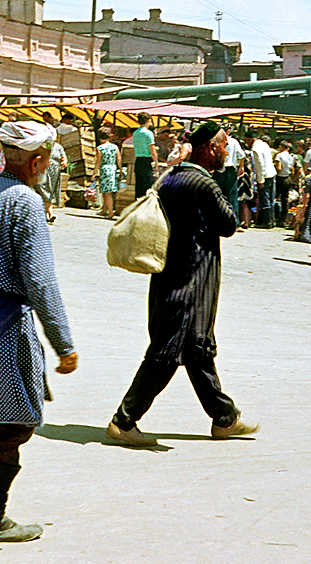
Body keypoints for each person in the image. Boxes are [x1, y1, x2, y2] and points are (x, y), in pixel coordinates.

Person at [0, 120, 78, 544]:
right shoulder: (25, 201)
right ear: (37, 161)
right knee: (13, 420)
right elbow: (39, 280)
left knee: (3, 414)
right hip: (3, 320)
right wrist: (64, 343)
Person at [106, 121, 258, 448]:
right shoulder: (204, 184)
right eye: (224, 146)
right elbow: (229, 224)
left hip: (168, 275)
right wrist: (227, 181)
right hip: (192, 280)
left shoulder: (171, 177)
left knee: (197, 350)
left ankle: (224, 419)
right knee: (168, 350)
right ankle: (124, 421)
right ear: (210, 148)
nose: (227, 152)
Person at [244, 131, 277, 228]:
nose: (246, 143)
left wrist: (260, 180)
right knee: (271, 198)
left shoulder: (255, 149)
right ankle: (272, 220)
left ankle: (267, 221)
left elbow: (259, 165)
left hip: (265, 175)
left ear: (250, 139)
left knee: (265, 199)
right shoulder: (264, 144)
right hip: (271, 172)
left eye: (246, 141)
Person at [211, 124, 242, 217]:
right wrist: (241, 167)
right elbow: (242, 155)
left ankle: (217, 218)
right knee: (232, 196)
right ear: (229, 131)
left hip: (218, 169)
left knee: (217, 195)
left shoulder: (215, 140)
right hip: (230, 169)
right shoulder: (234, 141)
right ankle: (234, 220)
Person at [36, 134, 67, 223]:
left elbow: (63, 156)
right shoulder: (42, 146)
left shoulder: (58, 147)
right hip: (43, 170)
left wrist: (64, 161)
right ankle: (51, 213)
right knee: (44, 191)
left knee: (50, 190)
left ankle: (46, 214)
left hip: (55, 172)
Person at [93, 127, 121, 219]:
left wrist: (94, 173)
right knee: (107, 191)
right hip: (112, 168)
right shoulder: (115, 147)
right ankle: (104, 210)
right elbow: (119, 159)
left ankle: (110, 212)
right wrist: (120, 169)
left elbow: (98, 161)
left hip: (104, 169)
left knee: (106, 192)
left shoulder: (100, 148)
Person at [132, 112, 158, 200]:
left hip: (138, 160)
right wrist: (156, 163)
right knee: (148, 186)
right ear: (148, 121)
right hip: (147, 161)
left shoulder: (135, 133)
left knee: (139, 186)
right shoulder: (148, 133)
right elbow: (152, 150)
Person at [275, 140, 296, 227]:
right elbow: (292, 170)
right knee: (285, 200)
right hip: (288, 178)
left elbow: (279, 168)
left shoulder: (279, 156)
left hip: (280, 178)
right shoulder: (290, 157)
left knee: (275, 198)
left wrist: (274, 166)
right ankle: (283, 219)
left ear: (281, 147)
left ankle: (275, 217)